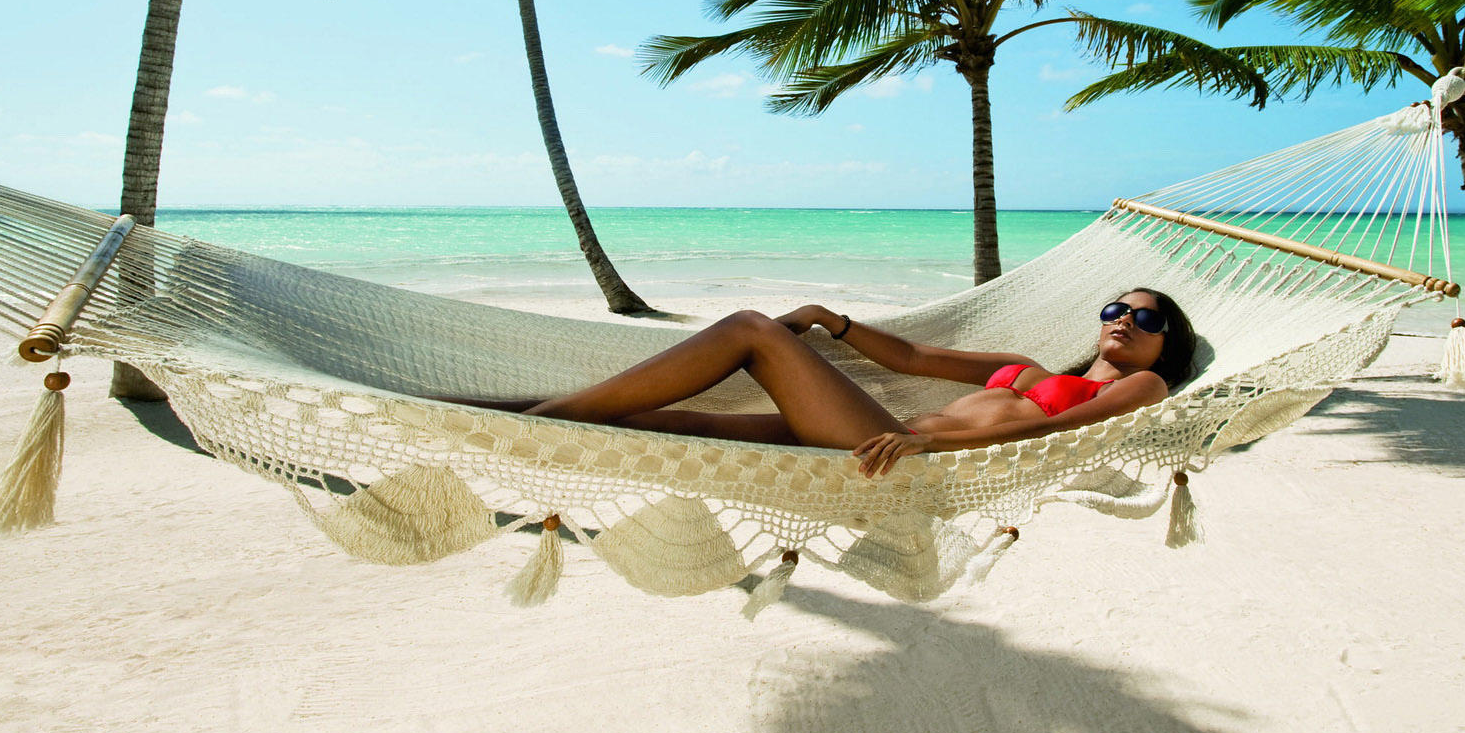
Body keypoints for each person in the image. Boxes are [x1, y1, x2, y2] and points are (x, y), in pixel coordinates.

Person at [459, 289, 1195, 479]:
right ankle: (473, 411)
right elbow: (911, 356)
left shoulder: (1140, 389)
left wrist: (929, 451)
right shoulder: (1030, 367)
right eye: (1115, 309)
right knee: (667, 423)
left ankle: (533, 419)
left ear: (1168, 344)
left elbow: (1057, 430)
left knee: (750, 330)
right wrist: (828, 320)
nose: (1124, 321)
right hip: (878, 439)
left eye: (1145, 319)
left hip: (905, 457)